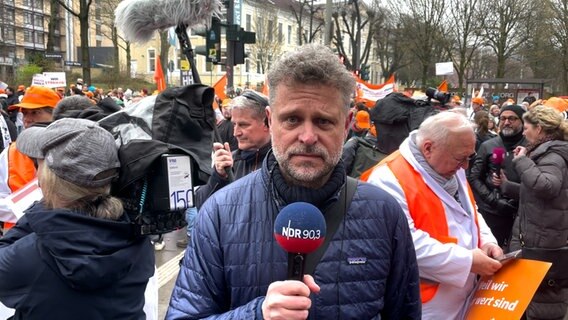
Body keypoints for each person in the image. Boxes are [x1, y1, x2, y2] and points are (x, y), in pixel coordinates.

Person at [166, 44, 421, 319]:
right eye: (292, 119)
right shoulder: (219, 214)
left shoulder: (384, 213)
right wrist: (257, 314)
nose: (308, 136)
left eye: (323, 122)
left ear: (347, 124)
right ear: (270, 120)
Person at [0, 118, 155, 319]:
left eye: (38, 164)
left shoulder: (31, 256)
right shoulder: (136, 236)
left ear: (48, 178)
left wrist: (41, 209)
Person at [367, 111, 503, 320]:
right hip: (423, 307)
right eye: (461, 158)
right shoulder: (387, 178)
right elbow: (406, 244)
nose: (466, 166)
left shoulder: (449, 164)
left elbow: (469, 211)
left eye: (470, 157)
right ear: (428, 148)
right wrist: (466, 261)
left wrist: (486, 241)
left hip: (462, 299)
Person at [507, 106, 568, 320]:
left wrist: (522, 161)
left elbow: (547, 186)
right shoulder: (550, 152)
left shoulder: (553, 156)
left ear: (539, 129)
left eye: (526, 128)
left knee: (543, 303)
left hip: (543, 243)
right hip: (541, 237)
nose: (523, 133)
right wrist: (508, 187)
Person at [0, 86, 61, 231]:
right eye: (24, 113)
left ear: (56, 115)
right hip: (17, 238)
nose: (27, 120)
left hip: (60, 235)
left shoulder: (73, 148)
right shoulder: (10, 152)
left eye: (35, 113)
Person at [468, 105, 526, 247]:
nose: (506, 122)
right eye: (503, 118)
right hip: (493, 212)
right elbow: (474, 178)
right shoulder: (488, 146)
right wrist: (494, 201)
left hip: (523, 213)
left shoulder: (530, 146)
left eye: (512, 119)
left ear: (523, 122)